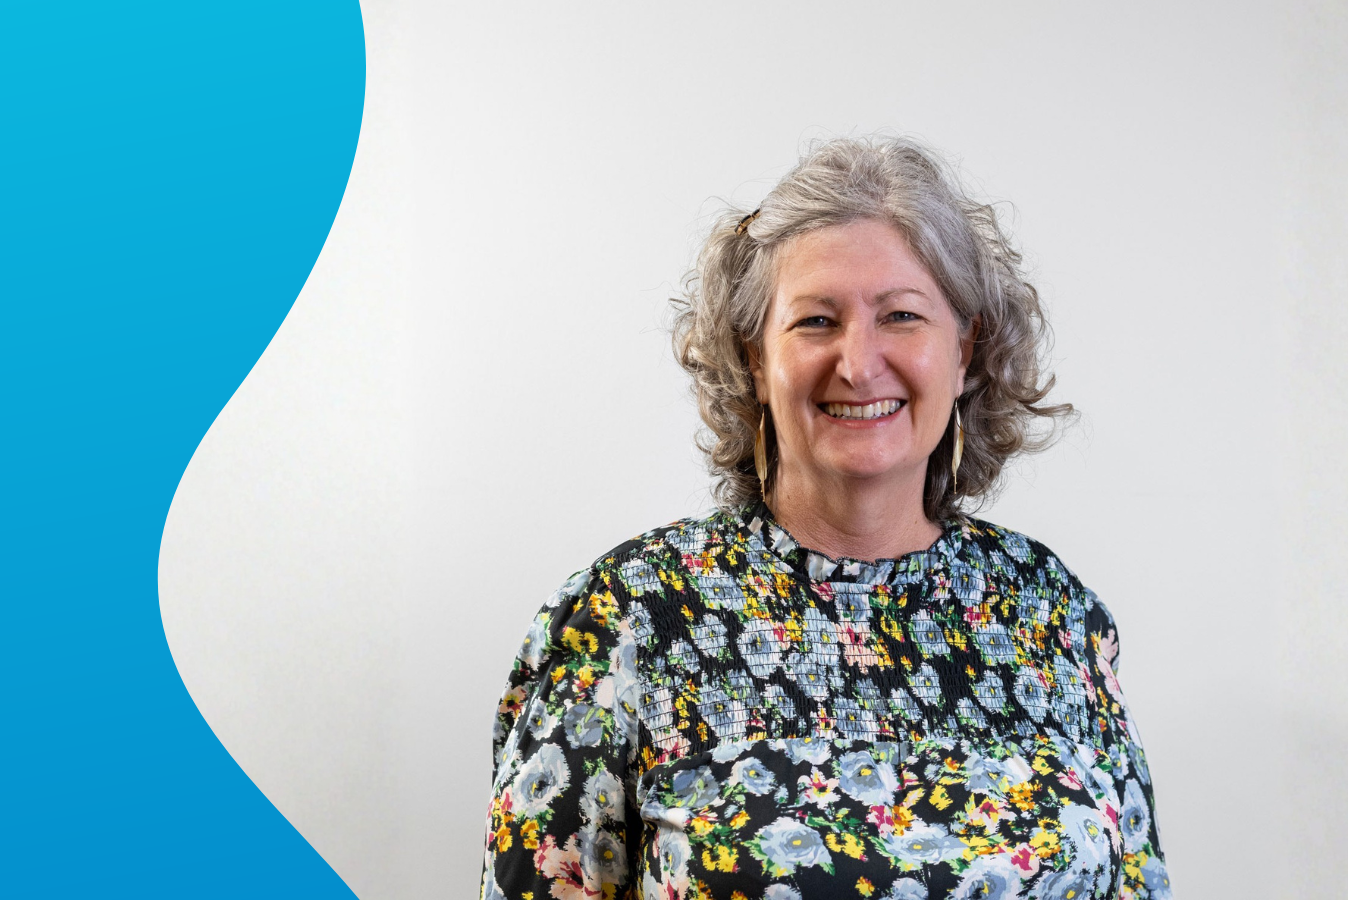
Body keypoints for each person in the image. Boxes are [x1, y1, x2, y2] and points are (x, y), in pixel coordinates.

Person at [480, 138, 1171, 900]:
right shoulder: (627, 619)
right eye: (816, 321)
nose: (859, 363)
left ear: (964, 351)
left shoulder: (1053, 614)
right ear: (754, 358)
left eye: (901, 315)